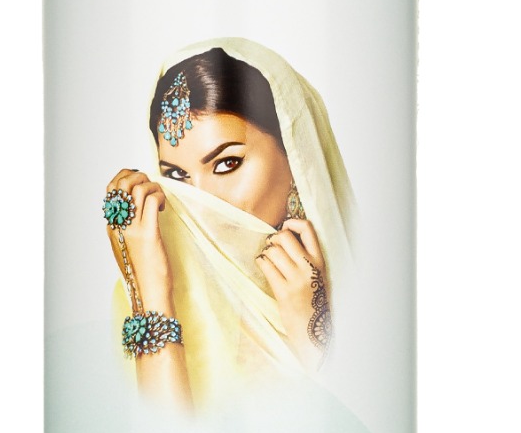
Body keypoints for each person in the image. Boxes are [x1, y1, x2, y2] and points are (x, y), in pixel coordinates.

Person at [102, 38, 355, 411]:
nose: (200, 201)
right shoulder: (143, 291)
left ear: (294, 158)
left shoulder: (364, 289)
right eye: (177, 176)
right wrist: (150, 293)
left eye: (226, 164)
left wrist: (314, 334)